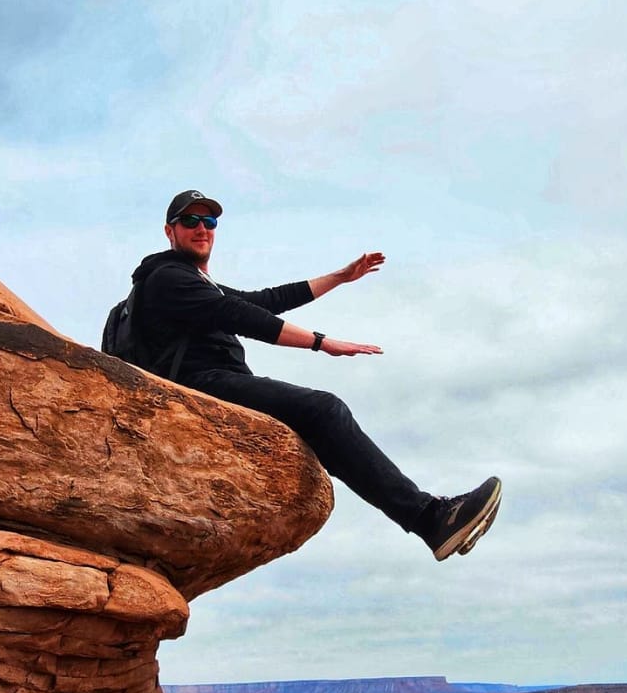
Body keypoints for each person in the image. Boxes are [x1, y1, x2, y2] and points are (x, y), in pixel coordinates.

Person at [131, 188, 501, 561]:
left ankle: (430, 519)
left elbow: (265, 301)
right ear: (170, 231)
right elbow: (243, 316)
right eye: (190, 221)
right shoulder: (168, 278)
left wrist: (340, 277)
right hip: (199, 387)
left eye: (209, 221)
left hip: (212, 383)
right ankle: (430, 518)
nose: (202, 228)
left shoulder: (192, 281)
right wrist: (321, 342)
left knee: (322, 426)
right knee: (324, 410)